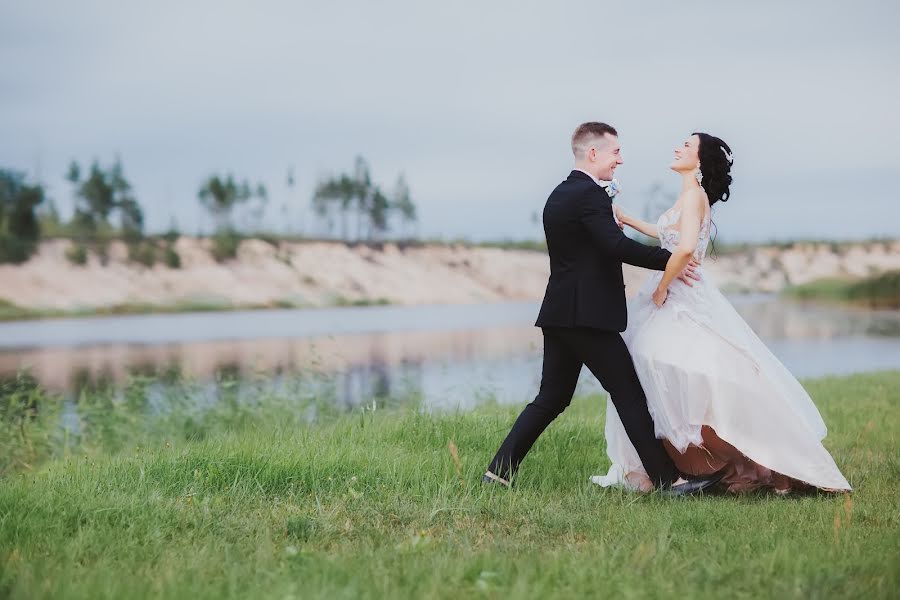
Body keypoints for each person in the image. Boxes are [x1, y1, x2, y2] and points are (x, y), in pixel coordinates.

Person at [593, 132, 851, 494]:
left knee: (667, 362)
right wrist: (629, 220)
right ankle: (682, 461)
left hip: (680, 298)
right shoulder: (687, 197)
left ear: (698, 160)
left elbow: (683, 251)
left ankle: (742, 460)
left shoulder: (695, 196)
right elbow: (668, 236)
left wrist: (663, 286)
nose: (678, 147)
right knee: (651, 362)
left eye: (687, 144)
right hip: (669, 293)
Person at [482, 122, 721, 495]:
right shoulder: (589, 196)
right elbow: (616, 248)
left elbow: (588, 251)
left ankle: (498, 472)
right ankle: (668, 481)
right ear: (593, 153)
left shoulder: (559, 194)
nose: (620, 160)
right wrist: (671, 259)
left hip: (560, 314)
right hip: (587, 318)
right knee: (628, 393)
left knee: (552, 398)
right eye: (615, 153)